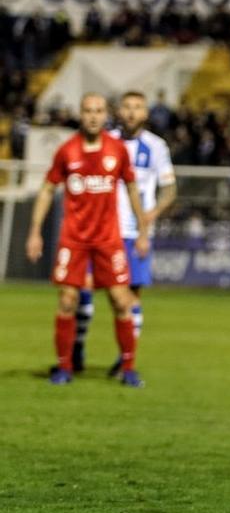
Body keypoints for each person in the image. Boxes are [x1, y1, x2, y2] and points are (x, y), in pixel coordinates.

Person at [25, 93, 151, 387]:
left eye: (98, 111)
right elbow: (46, 190)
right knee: (67, 300)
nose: (93, 116)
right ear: (80, 115)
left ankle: (128, 368)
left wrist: (143, 230)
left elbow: (132, 190)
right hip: (74, 240)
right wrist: (34, 231)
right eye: (87, 111)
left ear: (106, 115)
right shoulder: (67, 151)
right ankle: (64, 367)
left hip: (108, 239)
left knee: (121, 300)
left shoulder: (117, 150)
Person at [70, 91, 176, 376]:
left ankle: (125, 360)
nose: (131, 112)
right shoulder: (106, 143)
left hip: (134, 233)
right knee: (84, 288)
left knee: (131, 297)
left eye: (138, 107)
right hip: (101, 230)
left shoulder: (156, 147)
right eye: (127, 107)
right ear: (118, 111)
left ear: (145, 113)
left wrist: (149, 218)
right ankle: (77, 347)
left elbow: (169, 190)